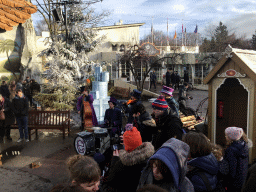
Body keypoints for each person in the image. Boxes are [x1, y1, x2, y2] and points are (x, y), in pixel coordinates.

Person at [101, 125, 155, 192]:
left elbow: (108, 187)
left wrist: (114, 163)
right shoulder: (151, 159)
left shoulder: (122, 165)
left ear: (126, 146)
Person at [219, 127, 249, 192]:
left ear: (231, 137)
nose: (225, 136)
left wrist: (226, 182)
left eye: (226, 135)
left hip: (233, 183)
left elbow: (231, 168)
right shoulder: (244, 146)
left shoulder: (231, 150)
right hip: (241, 178)